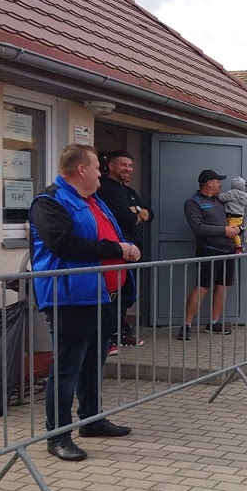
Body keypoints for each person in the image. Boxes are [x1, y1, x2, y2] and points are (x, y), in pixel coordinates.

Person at [29, 144, 139, 462]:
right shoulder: (49, 201)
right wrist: (117, 250)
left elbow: (110, 235)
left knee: (93, 362)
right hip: (71, 298)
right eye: (96, 168)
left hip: (102, 296)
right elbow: (63, 244)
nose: (100, 176)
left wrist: (126, 247)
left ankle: (92, 419)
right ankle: (58, 435)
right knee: (67, 368)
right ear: (81, 170)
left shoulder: (93, 201)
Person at [96, 150, 152, 352]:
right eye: (123, 165)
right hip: (117, 252)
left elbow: (150, 214)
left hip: (134, 252)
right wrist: (136, 213)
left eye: (130, 166)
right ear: (111, 166)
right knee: (114, 296)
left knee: (126, 297)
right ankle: (108, 338)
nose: (128, 169)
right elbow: (125, 218)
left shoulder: (129, 192)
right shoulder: (105, 189)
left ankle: (118, 333)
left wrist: (135, 211)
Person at [178, 169, 240, 340]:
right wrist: (224, 230)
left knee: (223, 287)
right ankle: (186, 325)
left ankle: (213, 323)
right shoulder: (193, 202)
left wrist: (235, 228)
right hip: (208, 251)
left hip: (227, 252)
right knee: (203, 287)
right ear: (209, 183)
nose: (221, 185)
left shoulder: (220, 201)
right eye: (218, 182)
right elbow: (198, 227)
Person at [217, 177, 247, 253]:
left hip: (232, 216)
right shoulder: (244, 195)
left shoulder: (231, 193)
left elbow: (222, 198)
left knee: (233, 232)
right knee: (234, 230)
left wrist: (218, 195)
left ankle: (239, 247)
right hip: (239, 217)